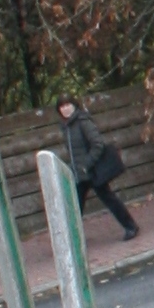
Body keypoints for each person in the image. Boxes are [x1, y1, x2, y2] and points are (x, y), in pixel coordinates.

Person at [57, 99, 139, 240]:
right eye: (62, 106)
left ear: (74, 105)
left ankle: (131, 226)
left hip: (92, 171)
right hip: (80, 173)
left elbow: (98, 144)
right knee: (75, 206)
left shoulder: (83, 122)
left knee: (108, 199)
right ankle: (71, 239)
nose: (65, 109)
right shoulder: (66, 127)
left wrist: (86, 164)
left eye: (68, 105)